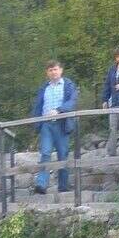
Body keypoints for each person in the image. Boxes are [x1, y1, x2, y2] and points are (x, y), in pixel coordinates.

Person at [31, 60, 79, 195]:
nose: (53, 72)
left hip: (62, 123)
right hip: (46, 124)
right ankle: (41, 184)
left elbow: (72, 102)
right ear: (47, 73)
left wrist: (59, 110)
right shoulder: (44, 88)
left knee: (63, 154)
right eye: (50, 70)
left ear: (61, 70)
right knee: (45, 153)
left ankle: (63, 186)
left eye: (55, 69)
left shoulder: (68, 85)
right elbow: (38, 106)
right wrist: (37, 123)